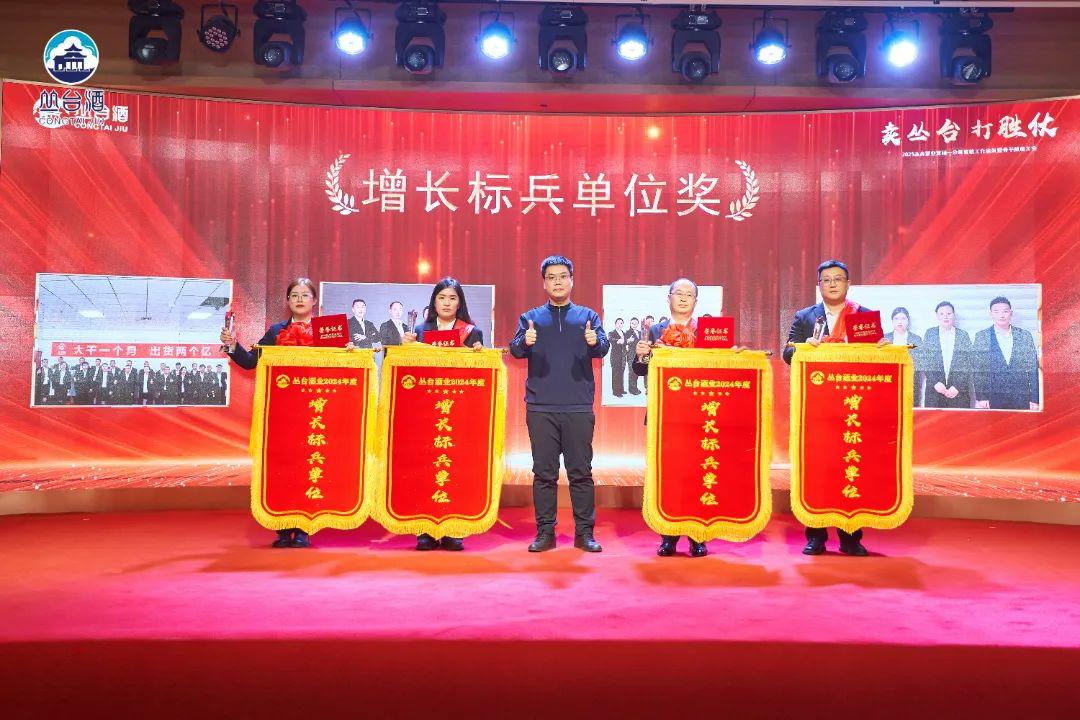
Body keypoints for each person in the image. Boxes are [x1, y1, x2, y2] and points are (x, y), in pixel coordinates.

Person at [782, 260, 888, 557]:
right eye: (826, 279)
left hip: (854, 406)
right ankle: (815, 536)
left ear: (847, 283)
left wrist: (882, 347)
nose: (832, 284)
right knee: (817, 468)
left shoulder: (864, 316)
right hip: (817, 406)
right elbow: (787, 353)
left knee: (851, 467)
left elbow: (877, 357)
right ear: (819, 285)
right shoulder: (805, 316)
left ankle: (850, 536)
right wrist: (804, 347)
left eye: (837, 279)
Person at [509, 255, 609, 553]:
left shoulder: (588, 316)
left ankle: (584, 534)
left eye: (563, 276)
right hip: (541, 407)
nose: (557, 282)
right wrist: (525, 341)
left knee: (581, 473)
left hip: (578, 406)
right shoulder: (530, 318)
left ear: (571, 280)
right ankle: (545, 533)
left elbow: (604, 348)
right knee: (544, 474)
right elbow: (515, 350)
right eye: (551, 277)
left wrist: (593, 341)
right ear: (544, 283)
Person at [221, 277, 320, 549]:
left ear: (314, 300)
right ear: (288, 301)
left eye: (305, 295)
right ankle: (283, 527)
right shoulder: (276, 331)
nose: (300, 299)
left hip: (314, 410)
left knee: (307, 468)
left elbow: (342, 366)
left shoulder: (326, 331)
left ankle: (304, 528)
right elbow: (250, 362)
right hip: (281, 410)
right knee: (282, 467)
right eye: (294, 295)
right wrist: (233, 345)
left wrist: (348, 351)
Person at [402, 276, 484, 552]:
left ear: (460, 303)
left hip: (458, 411)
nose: (447, 303)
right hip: (425, 410)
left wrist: (479, 356)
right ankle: (424, 530)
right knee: (425, 468)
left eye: (452, 298)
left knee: (455, 466)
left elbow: (480, 376)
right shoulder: (419, 331)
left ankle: (453, 529)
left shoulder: (472, 332)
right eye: (442, 297)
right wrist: (405, 348)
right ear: (434, 301)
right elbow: (405, 372)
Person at [631, 278, 711, 558]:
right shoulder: (655, 330)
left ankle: (698, 536)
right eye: (679, 293)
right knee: (667, 476)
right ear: (669, 298)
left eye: (690, 294)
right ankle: (668, 536)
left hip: (698, 413)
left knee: (697, 475)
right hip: (664, 412)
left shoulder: (706, 330)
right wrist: (641, 355)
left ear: (696, 301)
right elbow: (640, 370)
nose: (684, 298)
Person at [973, 296, 1040, 410]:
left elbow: (1033, 369)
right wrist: (981, 397)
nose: (1001, 315)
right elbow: (978, 370)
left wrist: (1035, 399)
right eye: (996, 311)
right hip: (993, 397)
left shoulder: (1024, 335)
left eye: (1005, 311)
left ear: (1011, 313)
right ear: (991, 314)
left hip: (1021, 397)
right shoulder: (982, 336)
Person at [922, 301, 974, 409]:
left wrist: (958, 386)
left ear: (954, 315)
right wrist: (935, 383)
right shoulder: (930, 334)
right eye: (942, 314)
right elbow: (926, 361)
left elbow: (969, 363)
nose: (945, 317)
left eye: (949, 313)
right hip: (935, 392)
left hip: (958, 393)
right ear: (937, 316)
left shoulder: (963, 335)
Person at [609, 318, 627, 398]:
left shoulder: (623, 333)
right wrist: (618, 340)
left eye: (621, 323)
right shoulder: (612, 332)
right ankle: (616, 392)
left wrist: (627, 341)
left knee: (621, 373)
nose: (620, 324)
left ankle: (621, 389)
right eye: (618, 323)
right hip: (615, 356)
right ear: (615, 324)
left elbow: (625, 342)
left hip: (623, 356)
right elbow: (610, 339)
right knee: (616, 374)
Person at [625, 317, 642, 395]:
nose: (634, 325)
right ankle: (632, 389)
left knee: (637, 371)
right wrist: (628, 341)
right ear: (630, 324)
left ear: (638, 324)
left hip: (639, 354)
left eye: (636, 323)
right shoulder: (628, 332)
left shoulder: (640, 332)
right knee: (632, 371)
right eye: (632, 323)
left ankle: (635, 387)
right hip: (631, 354)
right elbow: (624, 342)